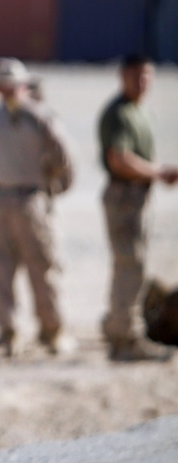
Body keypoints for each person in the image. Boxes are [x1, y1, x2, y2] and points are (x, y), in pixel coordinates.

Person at [0, 57, 75, 358]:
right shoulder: (40, 117)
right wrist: (53, 185)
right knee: (42, 269)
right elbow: (63, 157)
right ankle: (52, 332)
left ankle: (9, 332)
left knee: (2, 270)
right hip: (29, 202)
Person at [97, 53, 178, 361]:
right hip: (124, 196)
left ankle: (119, 325)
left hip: (139, 195)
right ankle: (125, 338)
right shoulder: (118, 113)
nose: (142, 82)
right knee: (129, 265)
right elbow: (119, 159)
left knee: (135, 265)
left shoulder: (140, 111)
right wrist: (159, 172)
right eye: (136, 75)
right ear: (123, 76)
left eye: (147, 75)